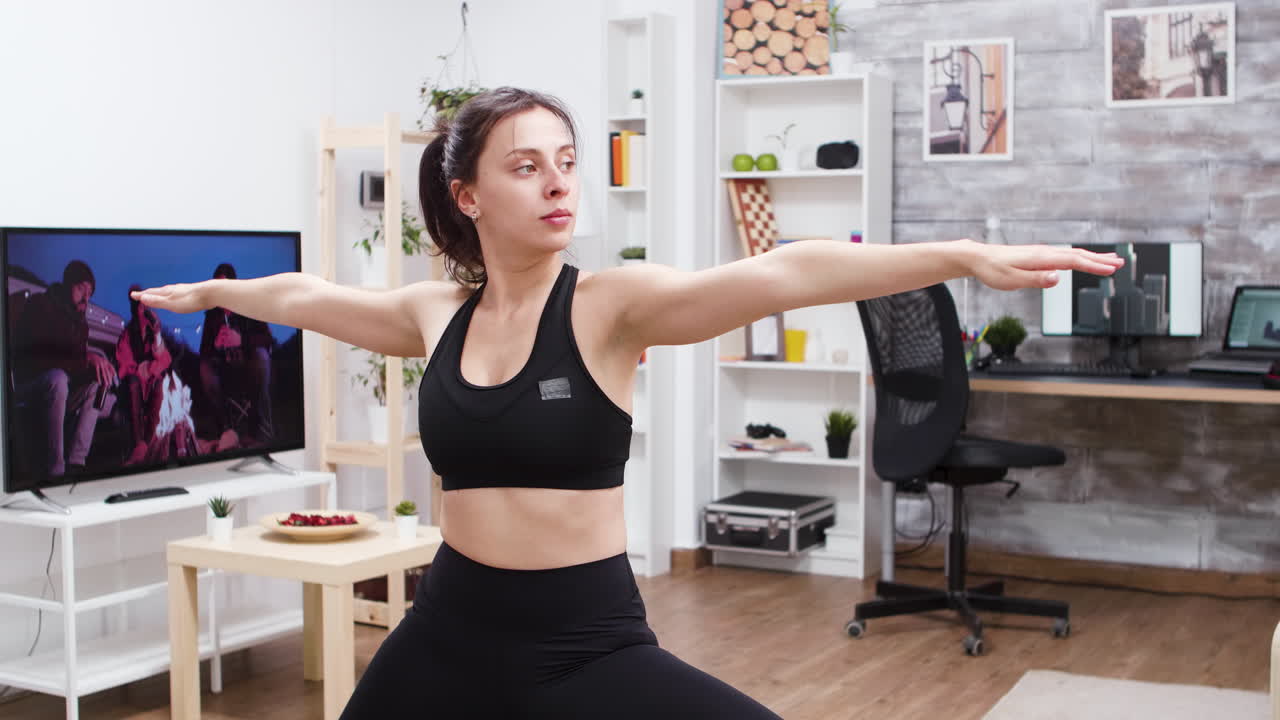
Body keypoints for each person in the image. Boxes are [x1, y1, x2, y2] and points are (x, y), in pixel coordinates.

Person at [133, 87, 1123, 718]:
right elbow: (305, 298)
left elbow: (789, 271)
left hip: (583, 641)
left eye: (566, 162)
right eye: (526, 167)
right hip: (448, 627)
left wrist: (960, 257)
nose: (560, 184)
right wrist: (215, 293)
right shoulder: (434, 314)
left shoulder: (611, 307)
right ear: (469, 196)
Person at [13, 259, 117, 479]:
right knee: (58, 378)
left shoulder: (81, 324)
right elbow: (42, 355)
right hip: (30, 384)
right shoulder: (41, 305)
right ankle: (55, 470)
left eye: (90, 293)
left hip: (60, 391)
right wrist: (86, 357)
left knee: (99, 385)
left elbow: (77, 367)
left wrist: (97, 368)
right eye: (81, 289)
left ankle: (77, 462)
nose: (86, 297)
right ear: (67, 283)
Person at [198, 262, 275, 445]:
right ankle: (225, 429)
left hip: (249, 369)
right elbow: (204, 350)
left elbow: (267, 339)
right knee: (204, 367)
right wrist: (215, 344)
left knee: (261, 357)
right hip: (225, 372)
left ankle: (256, 428)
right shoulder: (212, 315)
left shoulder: (249, 306)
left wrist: (241, 340)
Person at [116, 284, 172, 464]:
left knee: (159, 383)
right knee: (132, 383)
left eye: (144, 304)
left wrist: (156, 335)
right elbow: (123, 365)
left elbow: (165, 359)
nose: (141, 308)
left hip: (151, 382)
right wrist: (140, 371)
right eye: (137, 304)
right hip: (135, 384)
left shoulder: (152, 330)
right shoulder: (126, 334)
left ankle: (146, 444)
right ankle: (138, 443)